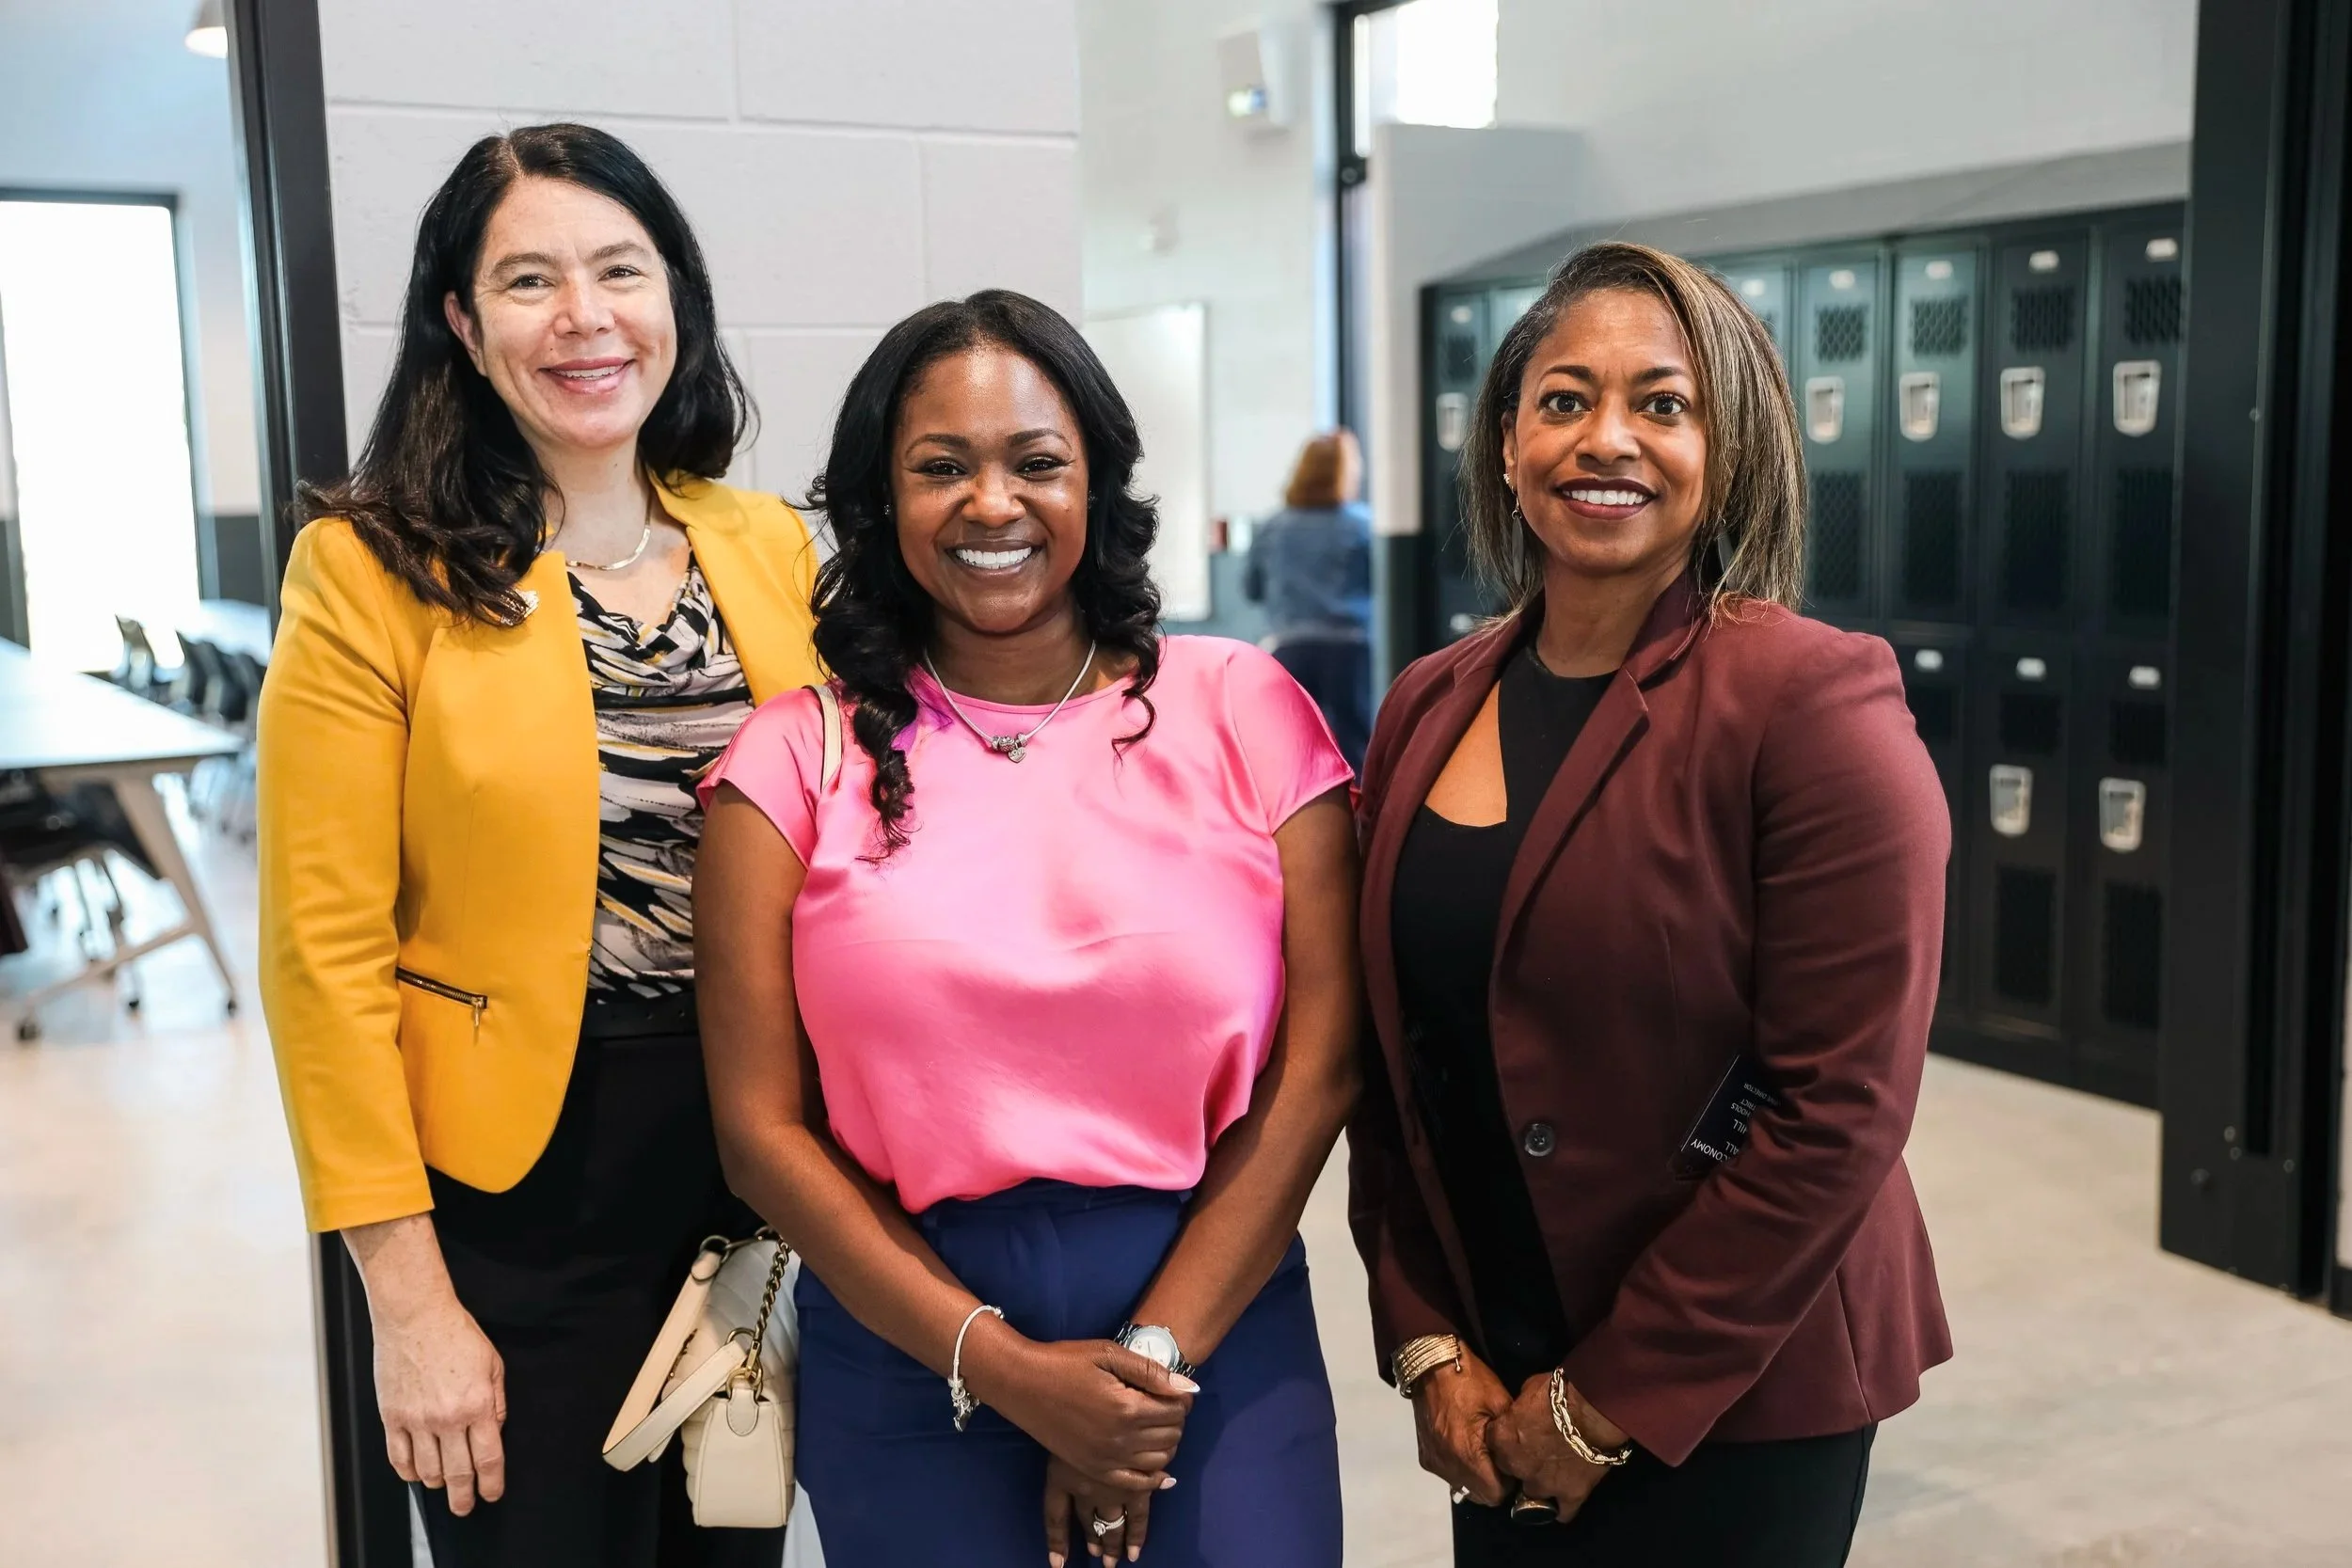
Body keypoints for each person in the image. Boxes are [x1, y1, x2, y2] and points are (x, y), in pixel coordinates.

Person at [692, 289, 1359, 1568]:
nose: (991, 504)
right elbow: (760, 1131)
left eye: (1035, 462)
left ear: (1097, 479)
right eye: (941, 467)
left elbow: (1322, 1059)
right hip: (911, 1347)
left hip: (1212, 1326)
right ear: (882, 502)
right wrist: (999, 1365)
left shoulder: (1246, 709)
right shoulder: (792, 758)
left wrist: (1147, 1366)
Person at [257, 123, 820, 1568]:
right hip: (513, 1204)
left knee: (730, 1549)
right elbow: (322, 958)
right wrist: (408, 1300)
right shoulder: (370, 567)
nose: (584, 316)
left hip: (749, 1171)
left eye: (620, 269)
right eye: (528, 280)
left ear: (673, 297)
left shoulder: (766, 547)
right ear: (461, 318)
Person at [1348, 242, 1952, 1567]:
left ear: (1723, 446)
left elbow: (1836, 1103)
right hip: (1491, 1377)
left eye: (1661, 403)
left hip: (1731, 1389)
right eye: (1563, 399)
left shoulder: (1811, 701)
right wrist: (1425, 1337)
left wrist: (1602, 1401)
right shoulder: (1428, 702)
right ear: (1506, 443)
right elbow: (1390, 1062)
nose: (1604, 437)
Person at [1245, 429, 1374, 769]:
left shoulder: (1273, 526)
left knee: (1294, 747)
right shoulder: (1361, 525)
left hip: (1291, 649)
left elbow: (1252, 588)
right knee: (1355, 745)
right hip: (1349, 651)